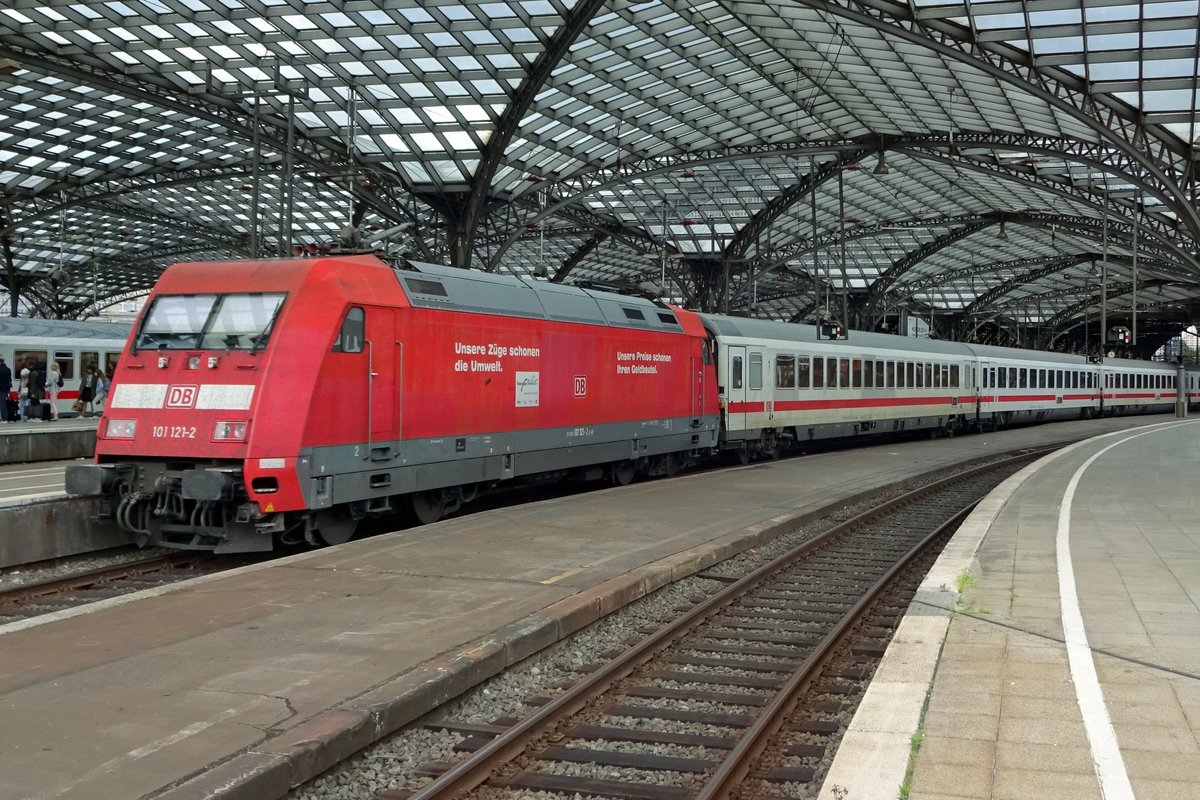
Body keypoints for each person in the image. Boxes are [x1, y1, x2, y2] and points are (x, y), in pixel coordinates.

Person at [0, 356, 11, 422]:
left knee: (2, 405)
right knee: (3, 404)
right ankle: (5, 418)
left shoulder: (0, 370)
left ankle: (4, 419)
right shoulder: (8, 369)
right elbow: (9, 379)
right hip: (6, 389)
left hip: (1, 389)